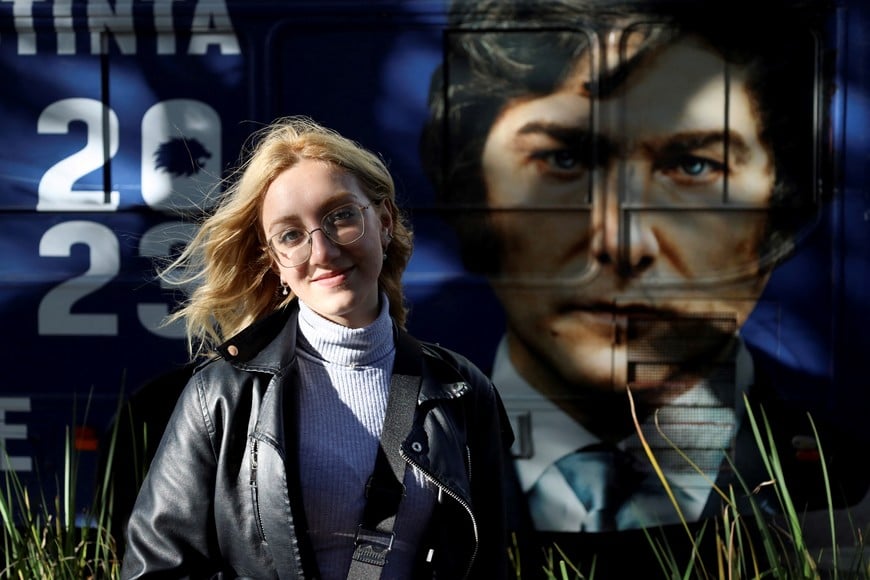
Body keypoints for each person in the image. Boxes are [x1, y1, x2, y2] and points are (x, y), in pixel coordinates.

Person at [421, 0, 864, 545]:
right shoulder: (392, 469)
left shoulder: (850, 479)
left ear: (782, 207)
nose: (622, 243)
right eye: (564, 160)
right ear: (472, 191)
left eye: (695, 166)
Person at [121, 116, 514, 579]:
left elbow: (490, 564)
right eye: (290, 235)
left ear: (384, 221)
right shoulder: (220, 399)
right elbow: (157, 569)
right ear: (275, 262)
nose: (322, 252)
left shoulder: (462, 390)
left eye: (342, 216)